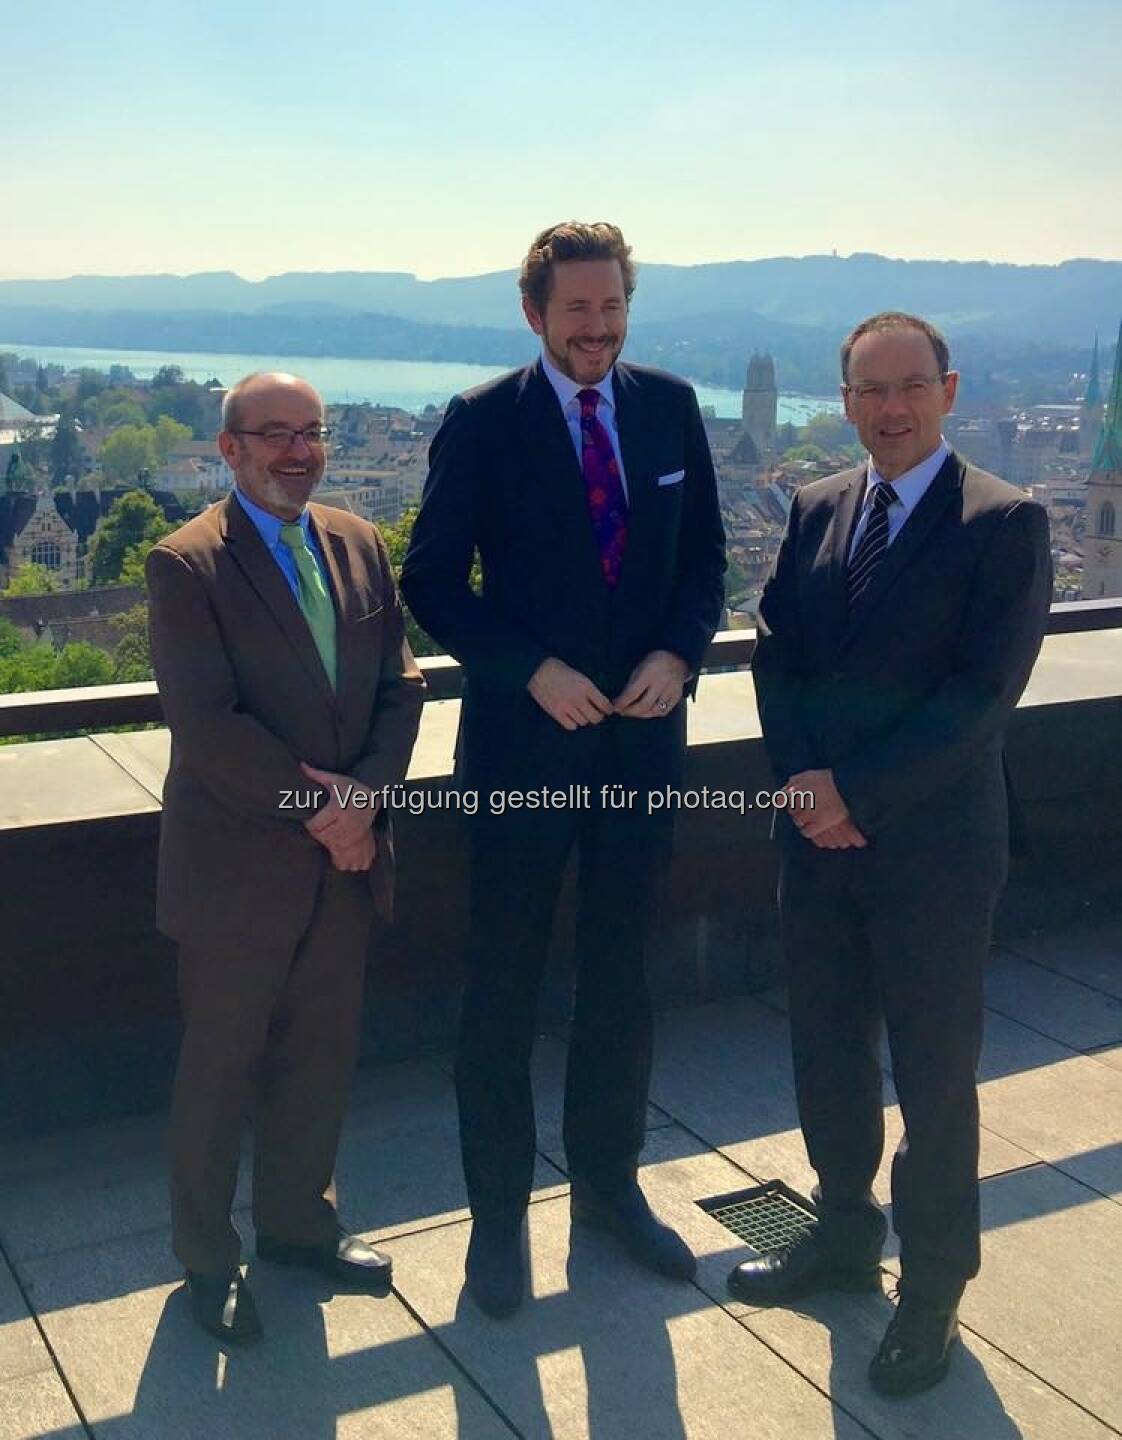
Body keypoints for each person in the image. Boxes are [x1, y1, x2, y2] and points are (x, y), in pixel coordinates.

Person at [401, 221, 726, 1316]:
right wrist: (528, 668)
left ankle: (609, 1191)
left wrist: (680, 654)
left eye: (612, 306)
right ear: (535, 315)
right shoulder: (484, 422)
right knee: (501, 985)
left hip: (642, 748)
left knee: (624, 980)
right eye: (576, 309)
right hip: (522, 747)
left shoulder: (672, 407)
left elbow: (706, 563)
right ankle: (497, 1219)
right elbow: (433, 583)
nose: (597, 327)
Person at [728, 313, 1052, 1395]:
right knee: (824, 1050)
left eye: (911, 386)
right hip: (817, 841)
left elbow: (979, 697)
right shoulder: (818, 506)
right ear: (846, 400)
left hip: (934, 853)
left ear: (949, 391)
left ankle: (934, 1292)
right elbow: (777, 655)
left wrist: (852, 792)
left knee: (934, 1079)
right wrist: (807, 782)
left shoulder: (1005, 523)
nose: (892, 408)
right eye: (870, 390)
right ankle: (841, 1230)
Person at [147, 371, 425, 1343]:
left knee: (320, 1056)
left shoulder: (355, 541)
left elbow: (402, 684)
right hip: (239, 872)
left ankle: (300, 1225)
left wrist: (370, 799)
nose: (297, 451)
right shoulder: (186, 565)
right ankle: (206, 1260)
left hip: (345, 864)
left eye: (313, 433)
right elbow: (207, 725)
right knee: (218, 1073)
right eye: (275, 435)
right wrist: (328, 808)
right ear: (231, 450)